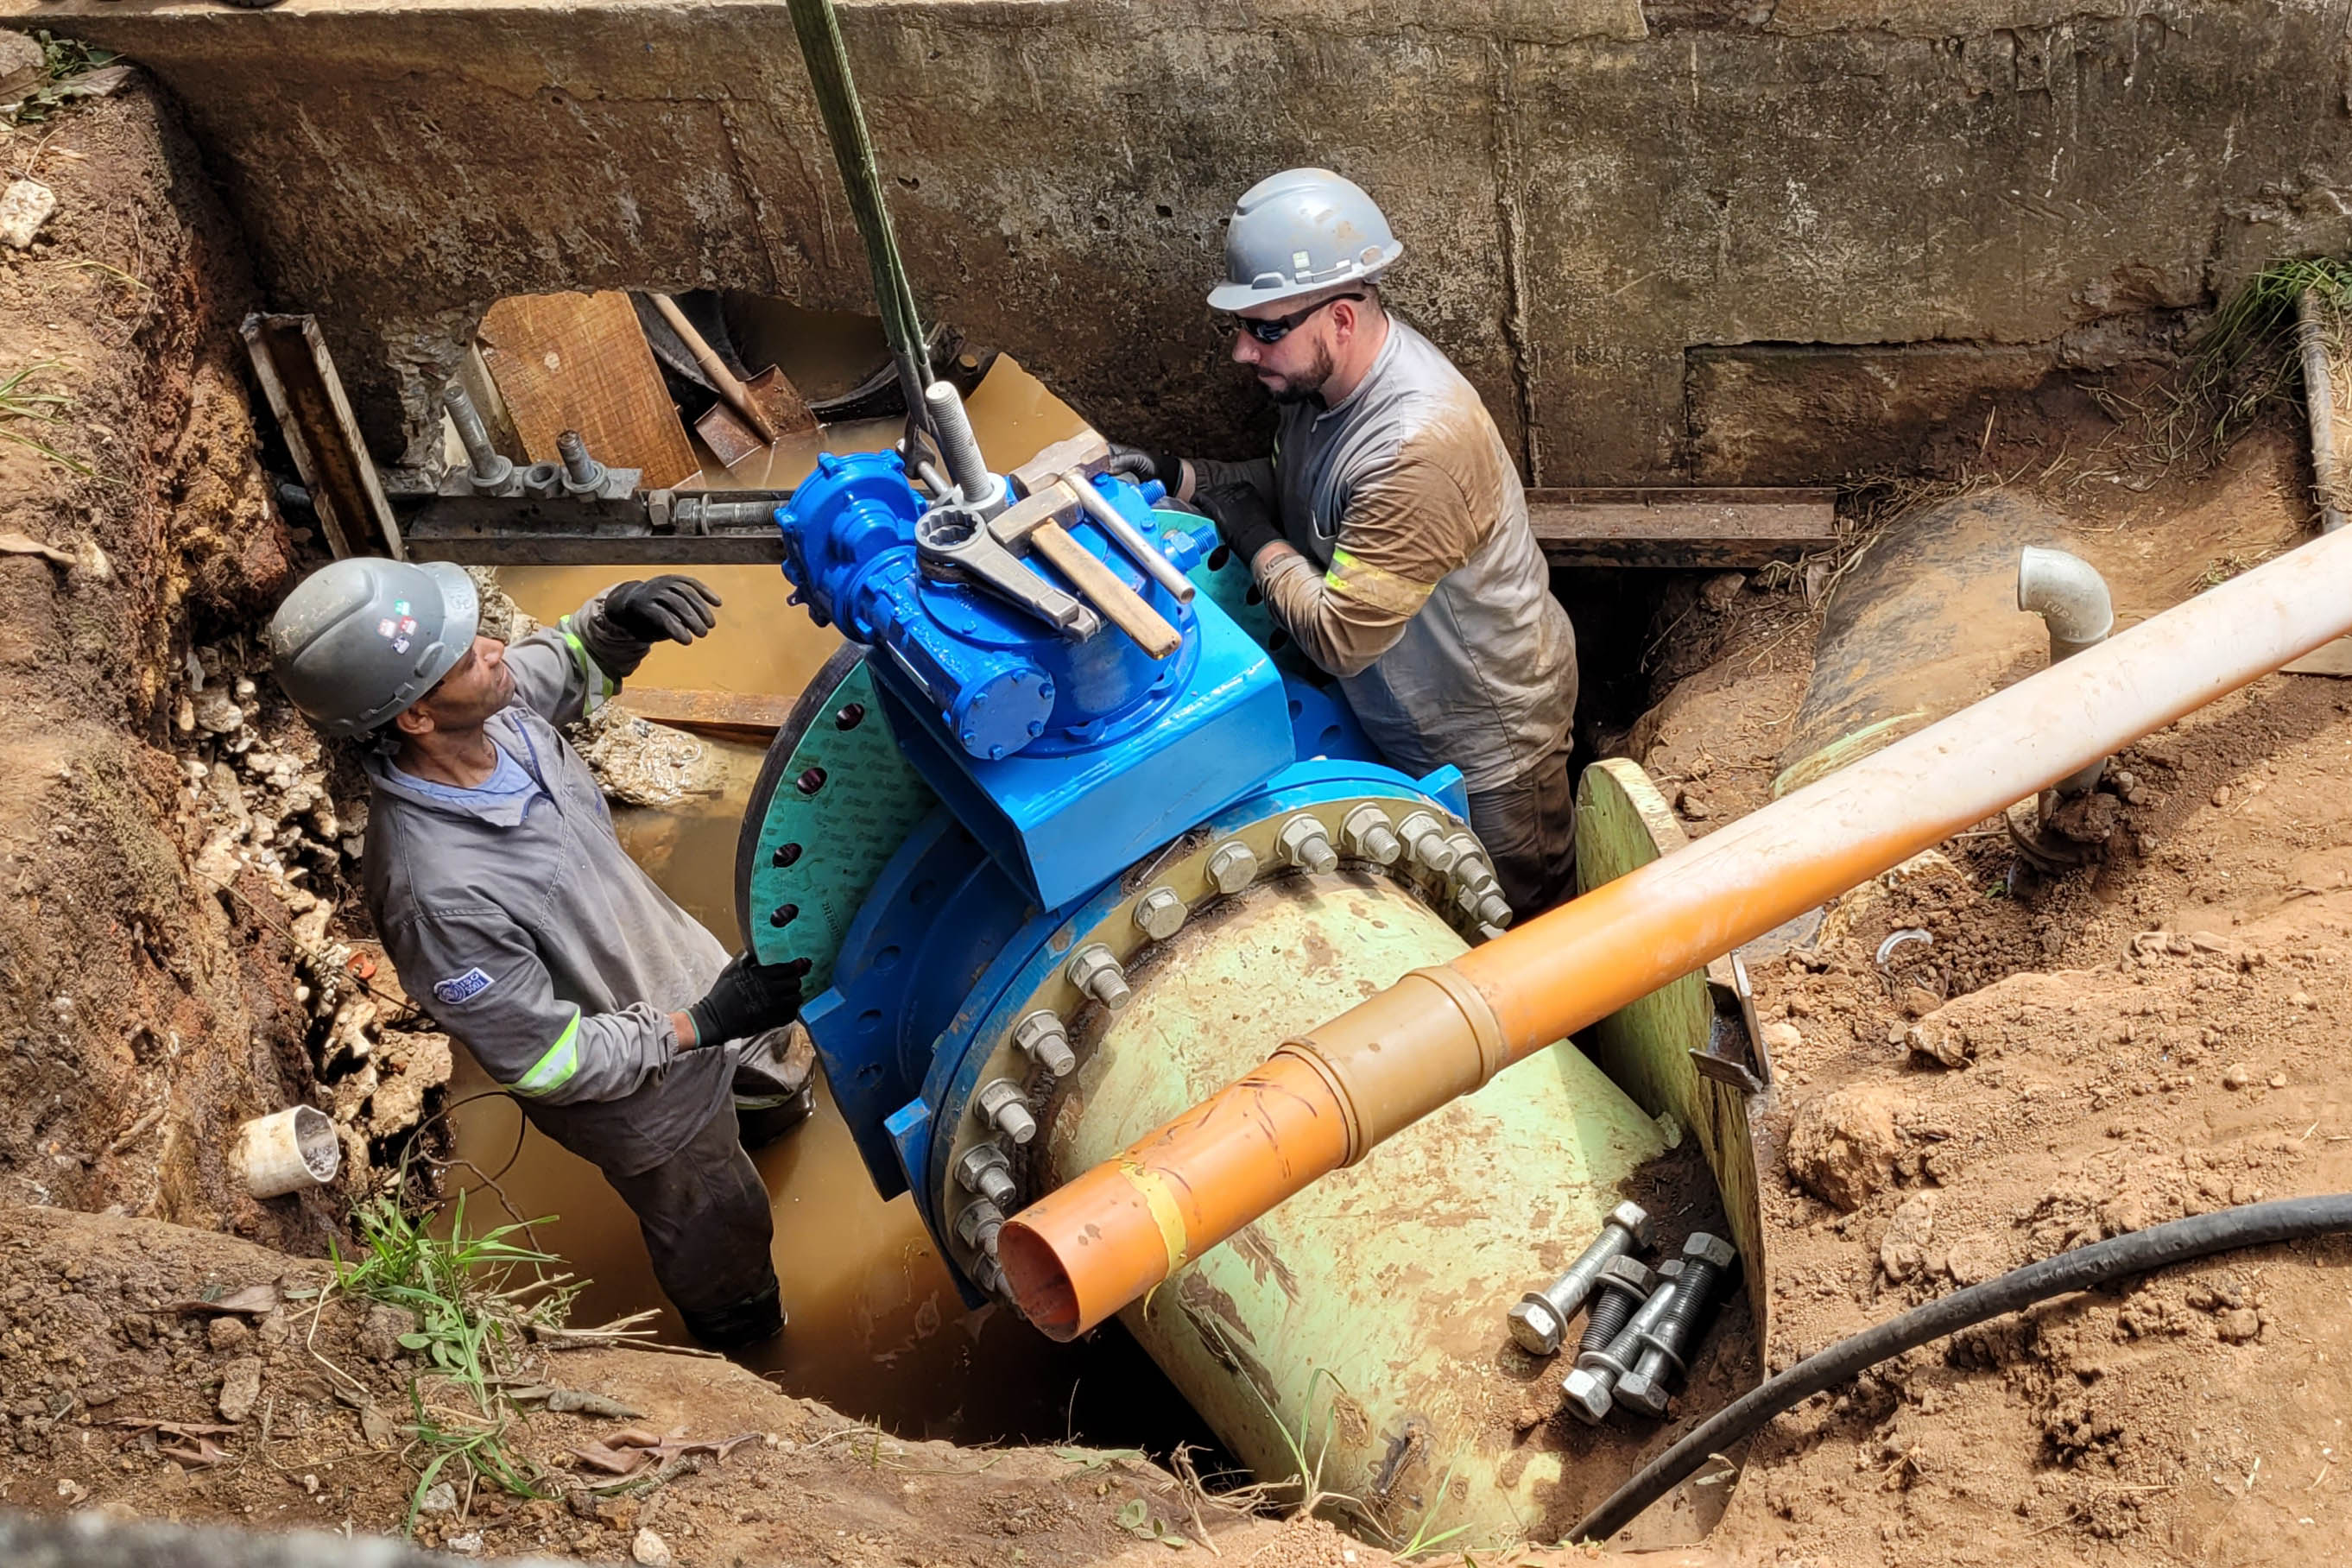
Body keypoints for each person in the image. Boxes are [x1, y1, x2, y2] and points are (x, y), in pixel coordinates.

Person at [267, 560, 810, 1348]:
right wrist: (699, 1025)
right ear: (416, 717)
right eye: (465, 655)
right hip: (649, 1092)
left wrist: (616, 623)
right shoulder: (436, 891)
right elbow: (544, 1059)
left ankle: (769, 1122)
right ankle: (756, 1354)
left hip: (707, 982)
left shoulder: (489, 717)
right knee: (721, 1236)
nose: (493, 646)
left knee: (781, 1083)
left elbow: (556, 668)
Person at [1114, 168, 1580, 915]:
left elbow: (1339, 639)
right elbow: (1290, 487)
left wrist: (1254, 538)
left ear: (1339, 317)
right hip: (1404, 718)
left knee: (1523, 923)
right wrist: (1184, 476)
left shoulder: (1411, 449)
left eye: (1265, 329)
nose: (1242, 352)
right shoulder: (1321, 386)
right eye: (1240, 326)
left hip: (1489, 752)